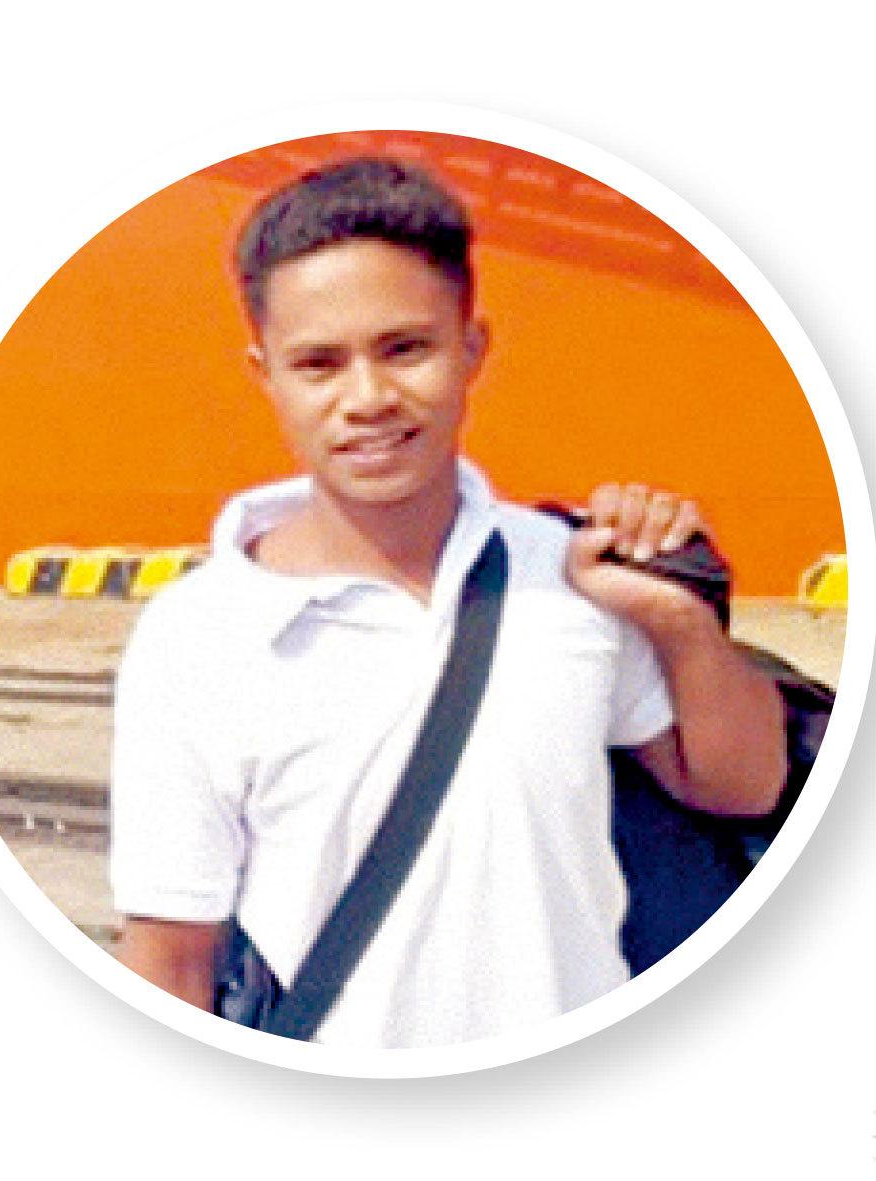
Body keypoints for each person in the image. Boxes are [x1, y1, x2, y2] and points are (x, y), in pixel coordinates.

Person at [110, 156, 786, 1048]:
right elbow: (169, 959)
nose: (367, 398)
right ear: (265, 375)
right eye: (319, 363)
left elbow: (744, 786)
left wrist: (677, 620)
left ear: (471, 350)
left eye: (405, 349)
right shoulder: (198, 634)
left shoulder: (567, 570)